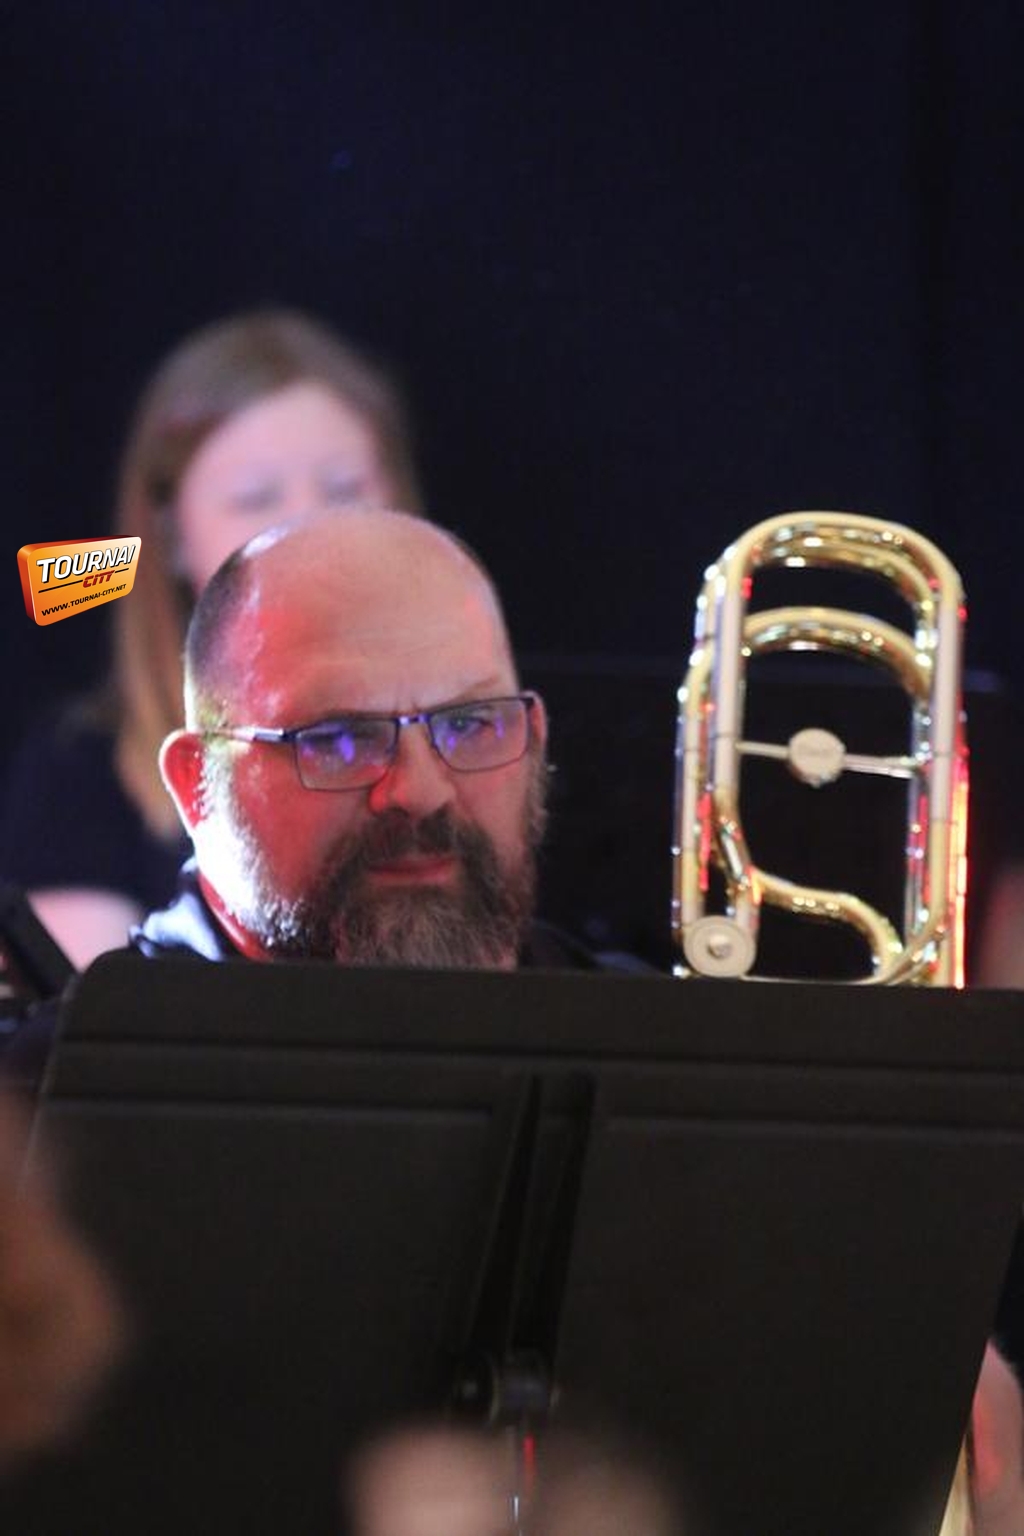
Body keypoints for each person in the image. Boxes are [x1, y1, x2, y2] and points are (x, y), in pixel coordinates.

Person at [0, 309, 421, 970]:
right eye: (254, 498)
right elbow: (93, 1023)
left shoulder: (468, 746)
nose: (308, 527)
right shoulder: (79, 774)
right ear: (171, 535)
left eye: (346, 489)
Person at [134, 507, 608, 972]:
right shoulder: (106, 1025)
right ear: (198, 785)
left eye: (467, 725)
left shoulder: (635, 1017)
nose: (422, 794)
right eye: (339, 740)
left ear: (535, 740)